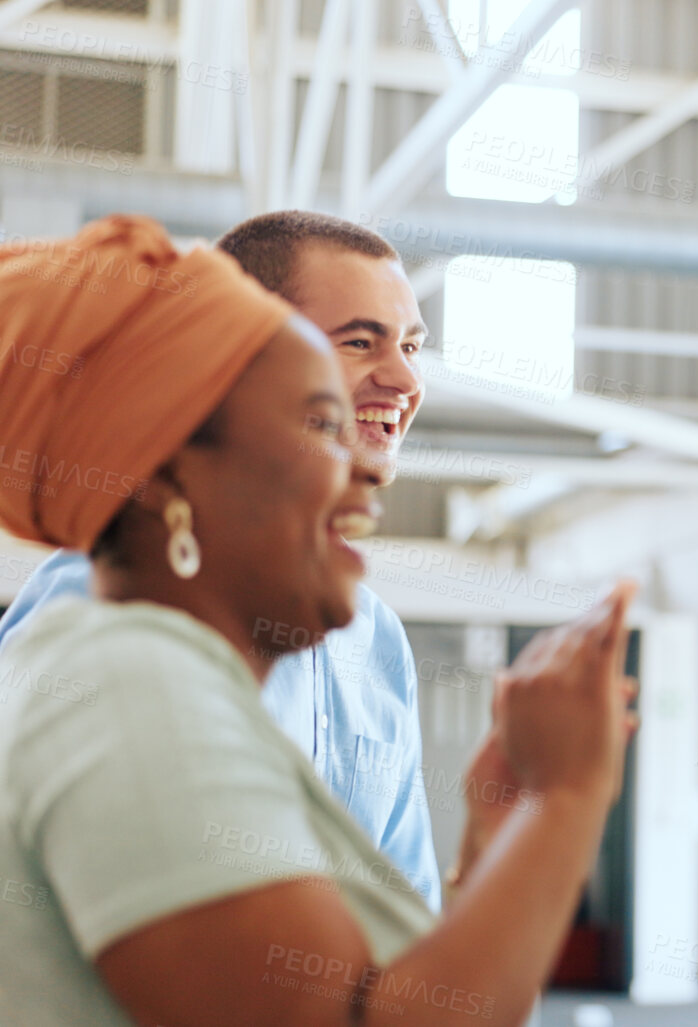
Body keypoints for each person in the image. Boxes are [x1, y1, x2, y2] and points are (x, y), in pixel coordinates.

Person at [0, 215, 635, 1026]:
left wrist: (493, 848)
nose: (367, 475)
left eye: (410, 345)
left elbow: (397, 986)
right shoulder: (118, 674)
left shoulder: (349, 643)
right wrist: (567, 798)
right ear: (175, 473)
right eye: (317, 423)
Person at [0, 211, 441, 904]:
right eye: (360, 341)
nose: (405, 379)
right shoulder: (102, 611)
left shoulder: (374, 635)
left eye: (413, 346)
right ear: (238, 364)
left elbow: (406, 907)